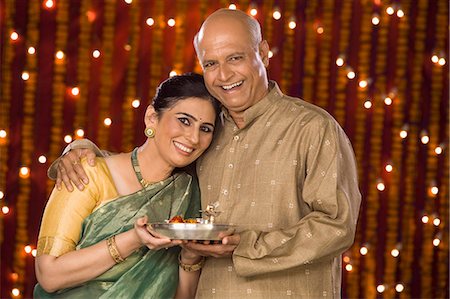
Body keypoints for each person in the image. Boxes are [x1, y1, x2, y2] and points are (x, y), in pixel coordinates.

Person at [51, 8, 361, 299]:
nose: (223, 75)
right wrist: (83, 150)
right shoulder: (207, 131)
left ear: (263, 53)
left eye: (235, 58)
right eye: (210, 64)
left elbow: (337, 225)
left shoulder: (313, 128)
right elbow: (153, 165)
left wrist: (247, 247)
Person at [34, 73, 220, 299]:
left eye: (205, 129)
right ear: (152, 117)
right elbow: (49, 275)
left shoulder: (186, 193)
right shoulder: (87, 172)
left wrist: (191, 257)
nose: (193, 138)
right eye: (184, 120)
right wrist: (134, 239)